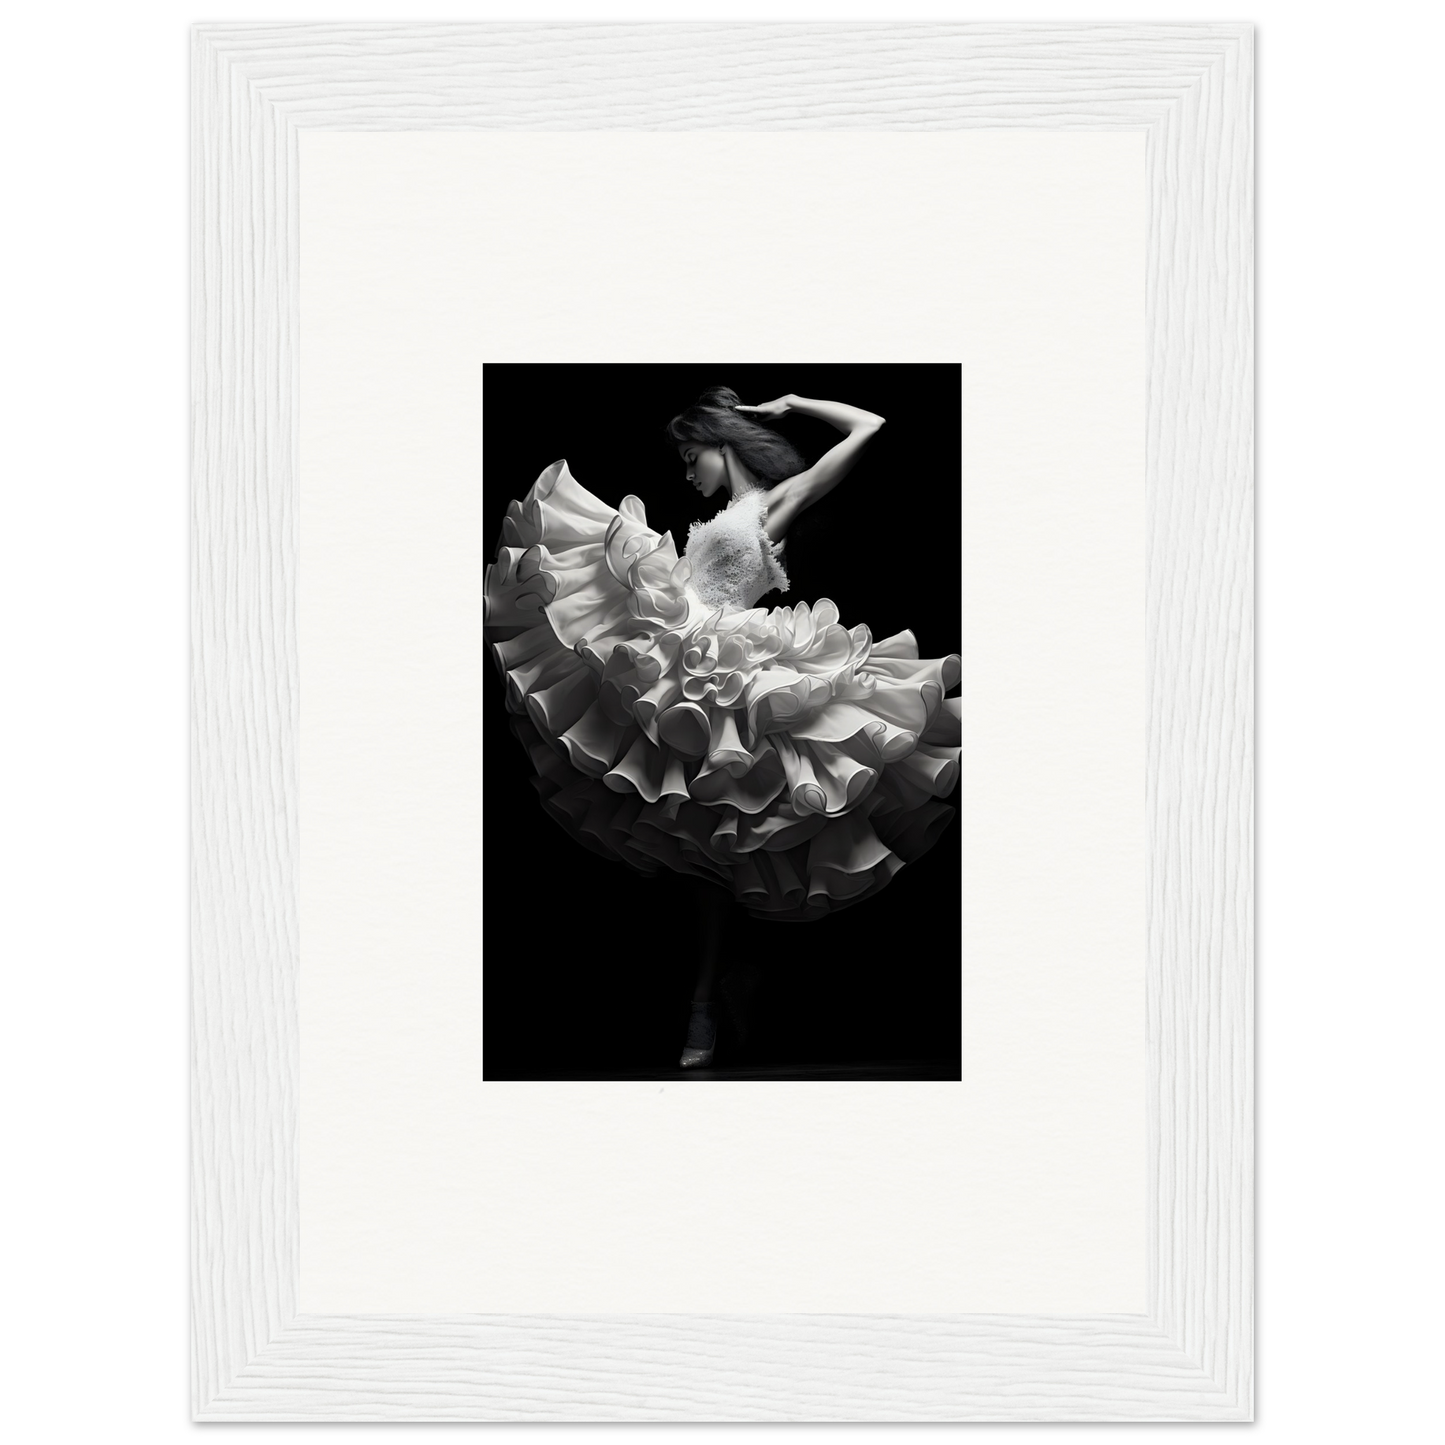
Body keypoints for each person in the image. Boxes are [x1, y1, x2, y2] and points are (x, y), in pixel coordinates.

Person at [484, 387, 961, 1069]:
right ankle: (711, 995)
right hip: (682, 653)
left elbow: (871, 425)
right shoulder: (724, 512)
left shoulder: (775, 502)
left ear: (721, 444)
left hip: (733, 666)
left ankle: (708, 1000)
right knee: (696, 845)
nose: (686, 473)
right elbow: (681, 588)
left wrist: (790, 403)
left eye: (691, 456)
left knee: (720, 843)